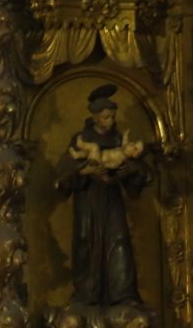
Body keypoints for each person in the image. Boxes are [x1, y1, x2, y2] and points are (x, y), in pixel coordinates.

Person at [55, 84, 148, 311]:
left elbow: (137, 170)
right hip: (87, 199)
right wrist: (84, 171)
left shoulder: (119, 139)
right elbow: (65, 171)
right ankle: (87, 296)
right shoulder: (81, 138)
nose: (109, 121)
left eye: (112, 117)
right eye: (105, 117)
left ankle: (123, 296)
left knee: (118, 243)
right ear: (95, 117)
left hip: (112, 198)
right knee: (86, 243)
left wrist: (129, 171)